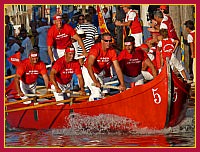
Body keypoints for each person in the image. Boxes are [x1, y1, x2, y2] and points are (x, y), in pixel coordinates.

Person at [82, 32, 126, 101]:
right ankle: (95, 107)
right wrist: (95, 81)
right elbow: (89, 65)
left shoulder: (112, 51)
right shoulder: (95, 49)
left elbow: (117, 68)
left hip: (99, 72)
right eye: (106, 41)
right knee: (96, 92)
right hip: (88, 70)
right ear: (102, 41)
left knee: (103, 92)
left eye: (110, 41)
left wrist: (122, 84)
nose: (108, 43)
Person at [184, 20, 195, 86]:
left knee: (194, 67)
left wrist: (192, 54)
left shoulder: (190, 35)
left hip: (195, 53)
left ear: (188, 28)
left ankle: (195, 81)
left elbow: (191, 45)